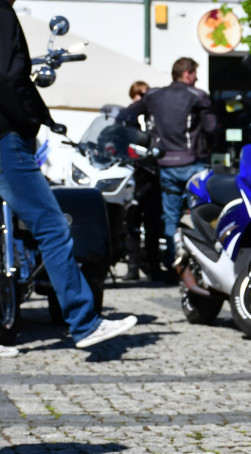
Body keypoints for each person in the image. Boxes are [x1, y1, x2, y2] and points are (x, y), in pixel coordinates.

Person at [0, 0, 137, 352]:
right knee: (52, 225)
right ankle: (84, 322)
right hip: (6, 136)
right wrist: (30, 120)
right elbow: (8, 77)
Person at [121, 57, 218, 271]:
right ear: (187, 74)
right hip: (193, 161)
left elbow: (126, 114)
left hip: (166, 163)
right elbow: (211, 128)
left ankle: (174, 262)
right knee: (200, 213)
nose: (197, 78)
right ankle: (202, 262)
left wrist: (142, 140)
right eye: (195, 74)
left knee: (170, 217)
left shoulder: (154, 96)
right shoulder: (197, 96)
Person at [124, 81, 163, 281]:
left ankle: (153, 265)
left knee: (151, 222)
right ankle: (133, 266)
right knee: (132, 220)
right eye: (139, 96)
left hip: (150, 172)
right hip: (134, 173)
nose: (142, 100)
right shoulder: (130, 115)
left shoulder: (152, 117)